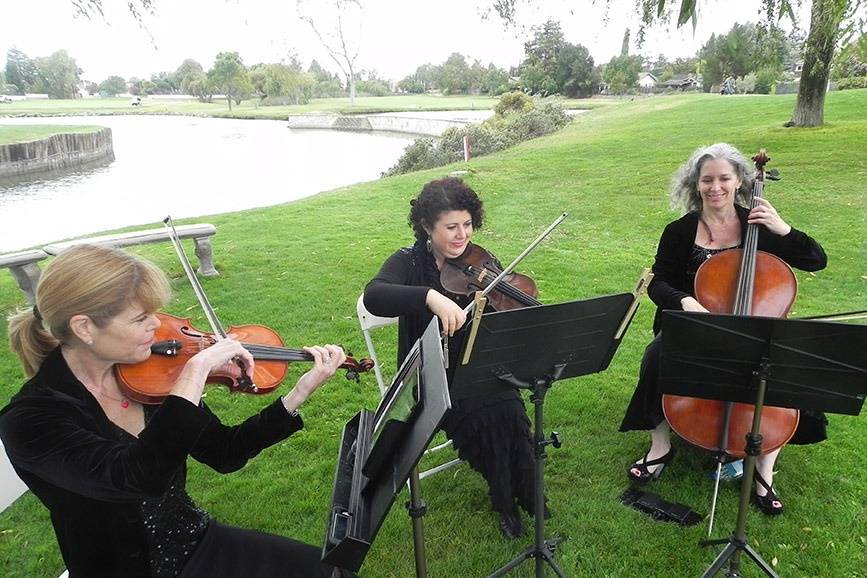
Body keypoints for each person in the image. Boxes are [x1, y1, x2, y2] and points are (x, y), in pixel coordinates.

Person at [0, 244, 354, 578]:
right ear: (84, 327)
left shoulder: (146, 376)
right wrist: (195, 373)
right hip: (129, 571)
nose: (156, 326)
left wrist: (299, 392)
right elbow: (136, 478)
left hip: (197, 541)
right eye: (140, 318)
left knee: (329, 571)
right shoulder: (31, 420)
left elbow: (224, 452)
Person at [619, 143, 828, 516]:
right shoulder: (681, 231)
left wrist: (783, 228)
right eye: (707, 180)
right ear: (695, 185)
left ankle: (764, 468)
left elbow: (816, 259)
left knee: (793, 370)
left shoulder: (759, 225)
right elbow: (659, 282)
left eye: (724, 179)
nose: (715, 187)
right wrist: (685, 301)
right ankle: (660, 445)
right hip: (696, 324)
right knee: (655, 357)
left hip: (755, 325)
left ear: (739, 182)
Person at [363, 177, 540, 539]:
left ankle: (519, 493)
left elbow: (504, 313)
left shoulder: (480, 261)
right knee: (486, 418)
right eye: (451, 227)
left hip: (478, 364)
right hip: (432, 374)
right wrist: (430, 296)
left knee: (511, 412)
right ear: (428, 227)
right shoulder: (408, 261)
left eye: (467, 225)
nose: (462, 236)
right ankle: (505, 502)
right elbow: (374, 296)